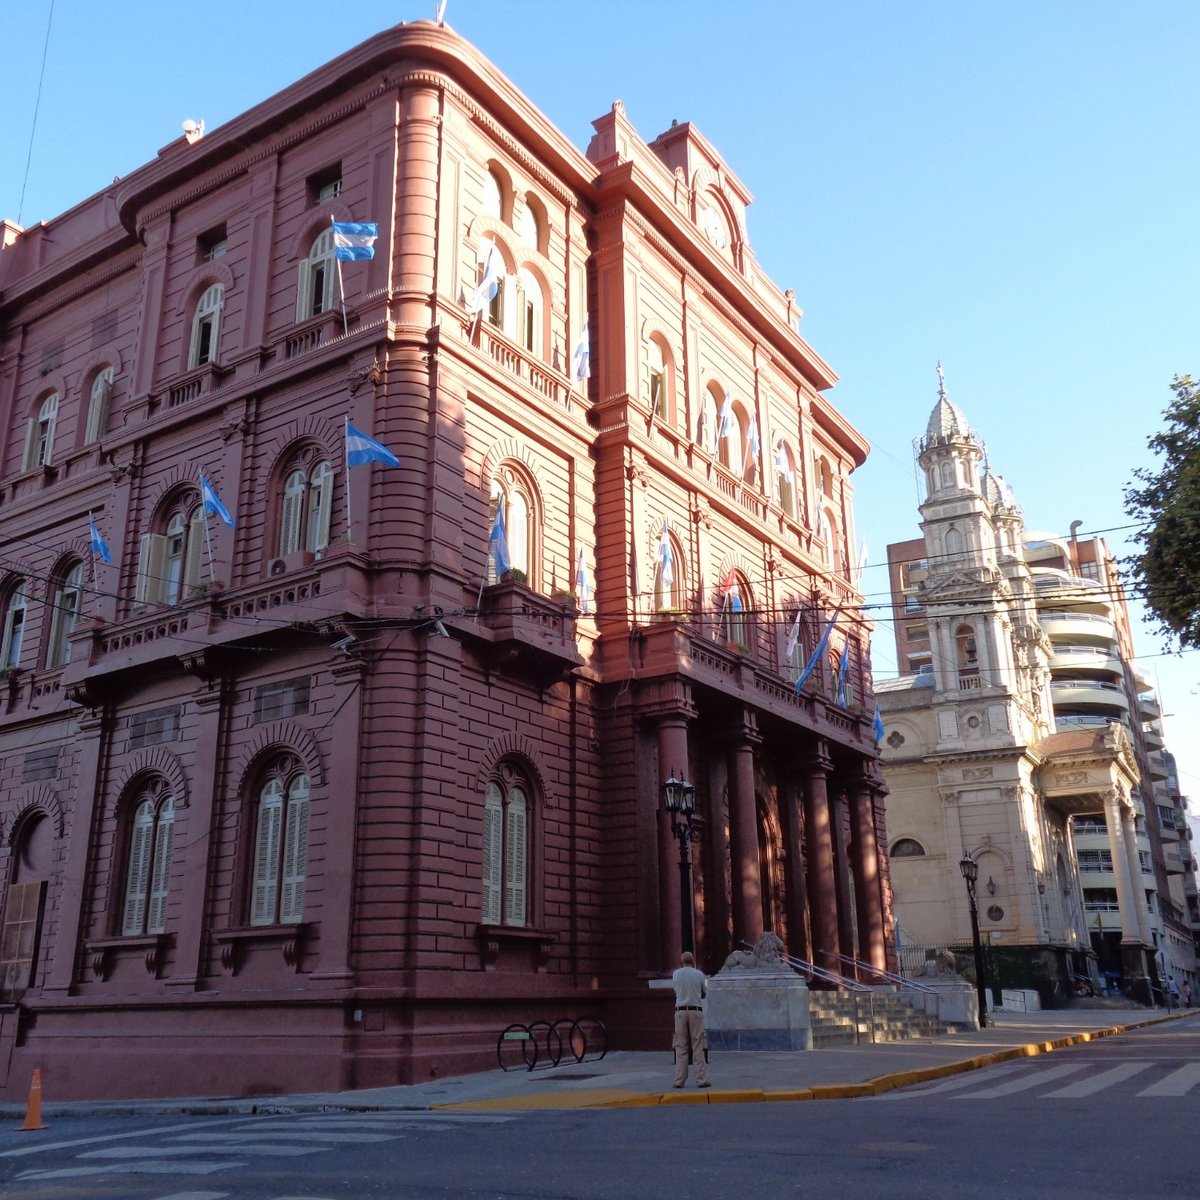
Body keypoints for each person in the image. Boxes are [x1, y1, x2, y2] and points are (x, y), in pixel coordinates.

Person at [671, 950, 710, 1089]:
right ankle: (702, 1080)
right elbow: (704, 992)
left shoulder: (676, 974)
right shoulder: (699, 974)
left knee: (681, 1046)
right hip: (695, 1011)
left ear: (681, 962)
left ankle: (679, 1080)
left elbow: (675, 991)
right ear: (693, 961)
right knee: (698, 1045)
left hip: (681, 1011)